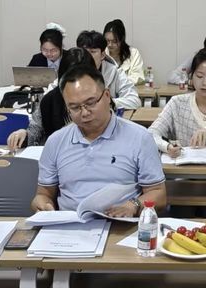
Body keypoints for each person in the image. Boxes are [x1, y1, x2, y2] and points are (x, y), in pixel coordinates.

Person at [31, 63, 166, 215]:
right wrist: (43, 205)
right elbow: (43, 194)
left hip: (120, 224)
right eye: (74, 107)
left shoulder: (140, 137)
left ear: (107, 96)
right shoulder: (55, 141)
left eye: (90, 103)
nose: (84, 113)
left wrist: (134, 205)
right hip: (70, 224)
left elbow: (158, 194)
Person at [8, 48, 95, 149]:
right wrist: (24, 135)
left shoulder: (100, 99)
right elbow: (36, 129)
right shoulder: (49, 100)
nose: (77, 87)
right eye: (72, 81)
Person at [74, 30, 141, 110]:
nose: (87, 56)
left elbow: (134, 101)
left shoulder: (115, 72)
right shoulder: (71, 71)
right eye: (84, 51)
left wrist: (110, 102)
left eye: (92, 52)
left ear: (102, 55)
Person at [104, 19, 146, 85]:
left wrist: (117, 81)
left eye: (114, 41)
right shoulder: (102, 53)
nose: (110, 44)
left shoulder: (133, 53)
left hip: (128, 89)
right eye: (107, 41)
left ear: (122, 39)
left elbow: (138, 76)